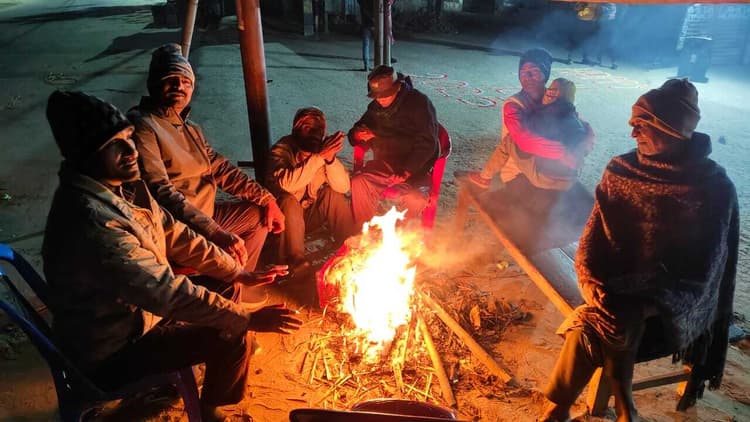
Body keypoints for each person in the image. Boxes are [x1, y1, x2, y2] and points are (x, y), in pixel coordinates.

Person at [42, 90, 302, 422]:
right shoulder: (92, 221)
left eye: (128, 138)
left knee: (226, 288)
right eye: (113, 145)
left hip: (137, 316)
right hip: (113, 351)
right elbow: (165, 292)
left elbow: (174, 232)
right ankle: (212, 411)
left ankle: (204, 367)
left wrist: (238, 273)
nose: (131, 151)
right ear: (83, 156)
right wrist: (247, 319)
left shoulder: (124, 186)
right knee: (232, 333)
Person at [540, 79, 739, 422]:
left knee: (606, 324)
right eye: (633, 124)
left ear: (672, 129)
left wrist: (650, 305)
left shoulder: (713, 188)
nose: (633, 133)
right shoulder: (622, 170)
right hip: (615, 293)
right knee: (611, 318)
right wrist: (590, 282)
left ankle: (571, 408)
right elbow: (591, 241)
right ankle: (616, 408)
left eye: (643, 125)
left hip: (673, 310)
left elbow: (706, 275)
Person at [130, 43, 285, 275]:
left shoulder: (190, 128)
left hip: (205, 216)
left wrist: (267, 199)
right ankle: (221, 280)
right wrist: (215, 233)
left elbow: (221, 168)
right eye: (171, 79)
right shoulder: (143, 126)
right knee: (229, 246)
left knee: (260, 214)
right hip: (176, 228)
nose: (179, 86)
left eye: (186, 81)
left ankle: (236, 281)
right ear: (154, 84)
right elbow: (160, 191)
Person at [461, 48, 592, 213]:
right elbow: (523, 140)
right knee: (512, 139)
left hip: (548, 169)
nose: (527, 77)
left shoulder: (554, 96)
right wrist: (563, 153)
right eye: (523, 72)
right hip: (518, 172)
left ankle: (485, 177)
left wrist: (581, 148)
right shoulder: (513, 105)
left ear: (545, 74)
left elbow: (580, 125)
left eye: (534, 71)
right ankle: (486, 177)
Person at [266, 107, 355, 275]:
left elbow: (344, 187)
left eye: (318, 129)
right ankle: (296, 260)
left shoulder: (321, 151)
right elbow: (286, 185)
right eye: (308, 128)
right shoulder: (282, 149)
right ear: (296, 130)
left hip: (308, 216)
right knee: (288, 200)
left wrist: (330, 159)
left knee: (332, 195)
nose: (314, 133)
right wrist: (319, 158)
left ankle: (352, 246)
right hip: (282, 222)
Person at [348, 65, 439, 228]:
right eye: (376, 96)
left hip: (416, 170)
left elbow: (427, 143)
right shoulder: (376, 108)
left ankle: (399, 236)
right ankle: (362, 233)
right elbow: (357, 128)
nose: (380, 100)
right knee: (359, 183)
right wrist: (357, 134)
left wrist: (406, 171)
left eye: (385, 95)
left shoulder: (419, 103)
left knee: (416, 199)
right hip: (386, 165)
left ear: (398, 87)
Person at [527, 78, 589, 181]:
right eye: (548, 89)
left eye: (551, 92)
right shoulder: (572, 116)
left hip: (545, 175)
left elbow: (528, 137)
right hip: (568, 177)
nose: (547, 93)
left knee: (510, 140)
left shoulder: (546, 115)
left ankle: (496, 175)